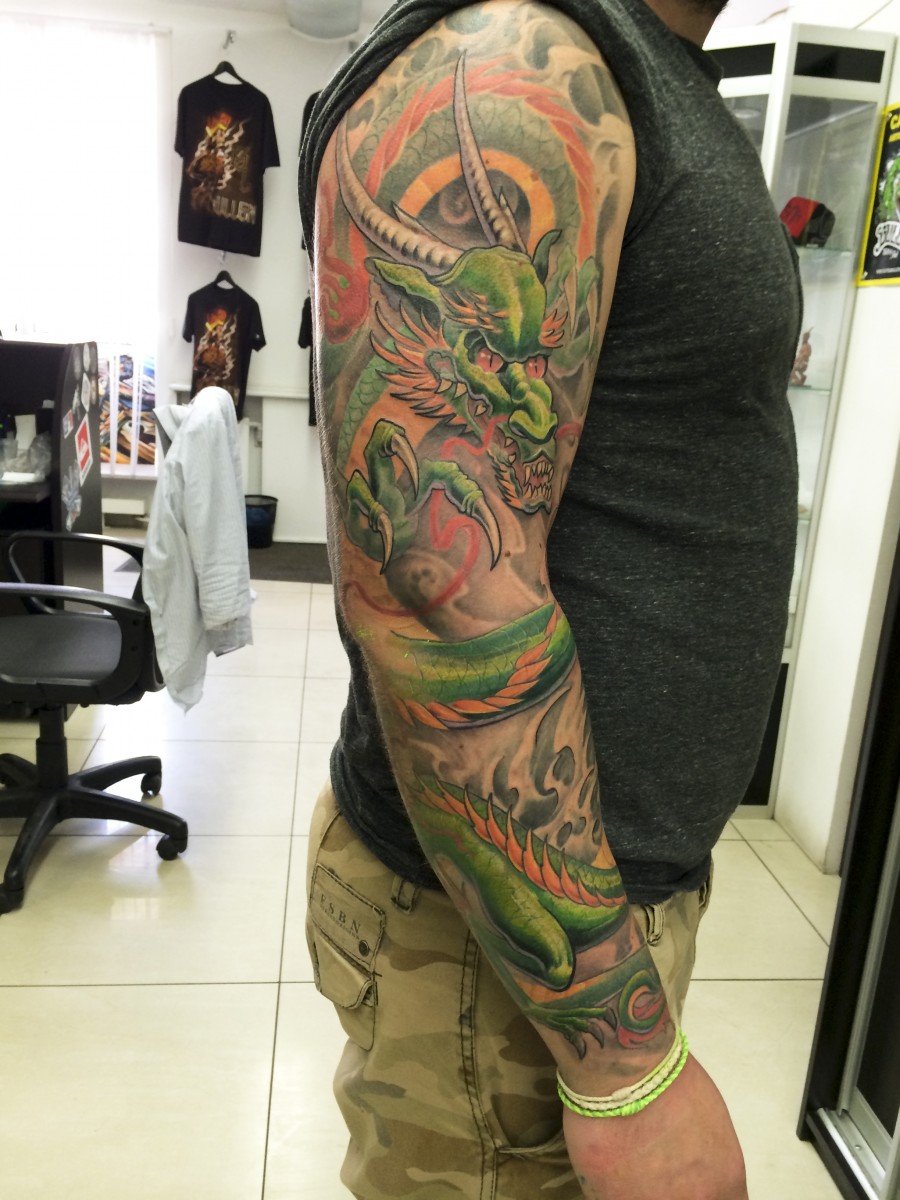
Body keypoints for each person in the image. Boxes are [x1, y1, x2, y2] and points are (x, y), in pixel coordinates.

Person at [298, 1, 800, 1196]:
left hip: (580, 914)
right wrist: (624, 1067)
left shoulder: (649, 70)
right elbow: (432, 599)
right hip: (507, 957)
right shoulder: (509, 60)